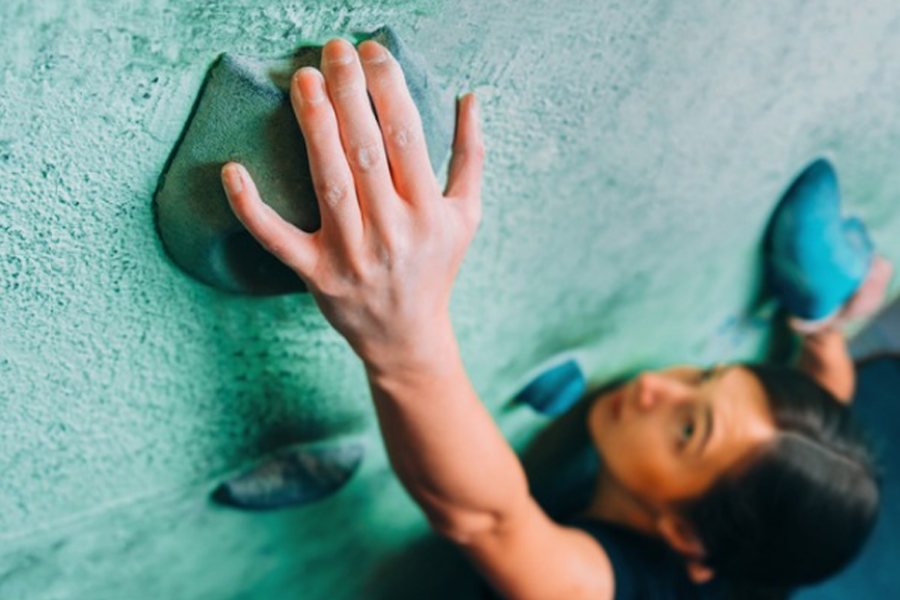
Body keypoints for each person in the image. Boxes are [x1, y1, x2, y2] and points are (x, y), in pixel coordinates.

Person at [219, 38, 887, 600]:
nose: (660, 385)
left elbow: (488, 520)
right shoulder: (768, 503)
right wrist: (824, 319)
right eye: (705, 377)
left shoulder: (595, 585)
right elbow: (830, 391)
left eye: (689, 427)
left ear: (684, 536)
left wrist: (403, 336)